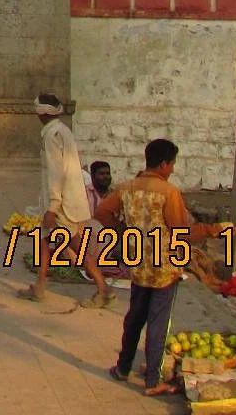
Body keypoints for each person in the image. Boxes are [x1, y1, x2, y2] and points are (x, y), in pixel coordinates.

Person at [97, 138, 226, 396]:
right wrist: (215, 230)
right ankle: (153, 381)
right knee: (158, 322)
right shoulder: (169, 192)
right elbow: (181, 231)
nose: (173, 170)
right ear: (164, 163)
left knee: (134, 318)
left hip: (138, 264)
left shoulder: (127, 187)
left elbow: (101, 212)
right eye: (173, 164)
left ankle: (123, 367)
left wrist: (122, 231)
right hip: (164, 267)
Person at [17, 94, 112, 307]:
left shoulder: (52, 135)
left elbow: (55, 173)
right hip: (67, 200)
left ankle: (103, 288)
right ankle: (40, 285)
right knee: (44, 239)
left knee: (74, 244)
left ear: (42, 113)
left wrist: (52, 206)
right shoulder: (62, 130)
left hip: (61, 203)